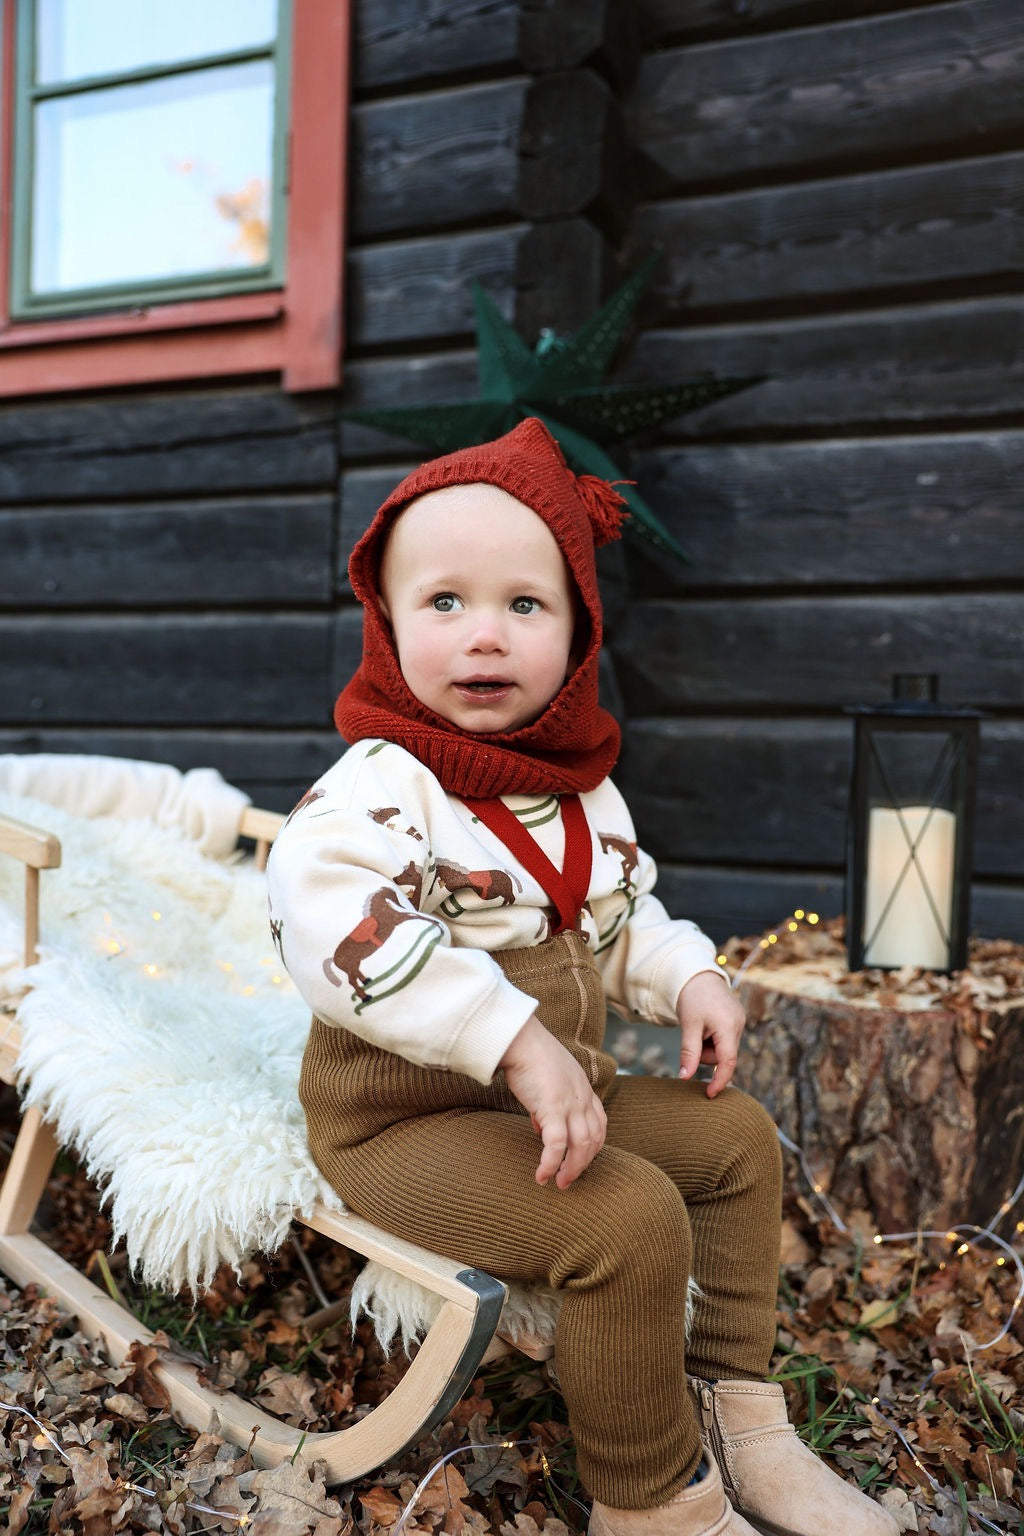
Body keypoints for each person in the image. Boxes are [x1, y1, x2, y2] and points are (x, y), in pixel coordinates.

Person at [267, 418, 897, 1536]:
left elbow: (621, 913)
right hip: (407, 1121)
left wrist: (684, 974)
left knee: (735, 1143)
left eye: (525, 605)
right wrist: (512, 1040)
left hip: (554, 1094)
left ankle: (739, 1416)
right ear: (388, 622)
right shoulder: (381, 784)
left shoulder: (577, 791)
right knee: (626, 1218)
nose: (484, 638)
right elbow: (334, 926)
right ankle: (651, 1497)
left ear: (576, 632)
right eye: (444, 603)